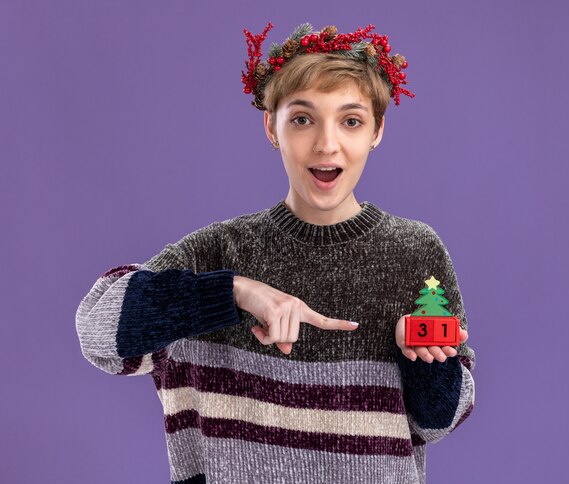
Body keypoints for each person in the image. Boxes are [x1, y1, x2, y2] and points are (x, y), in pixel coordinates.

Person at [76, 22, 476, 484]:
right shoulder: (216, 252)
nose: (327, 144)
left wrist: (426, 363)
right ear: (272, 126)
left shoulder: (415, 253)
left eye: (351, 120)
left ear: (377, 131)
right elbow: (96, 333)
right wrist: (233, 292)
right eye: (302, 119)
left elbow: (439, 422)